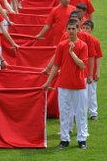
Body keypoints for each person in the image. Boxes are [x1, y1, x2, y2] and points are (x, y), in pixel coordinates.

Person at [42, 19, 88, 149]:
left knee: (81, 113)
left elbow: (82, 65)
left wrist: (72, 52)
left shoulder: (83, 45)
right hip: (63, 85)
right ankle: (64, 139)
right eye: (69, 29)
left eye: (74, 29)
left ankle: (82, 139)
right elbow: (56, 66)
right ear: (66, 30)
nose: (71, 31)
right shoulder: (61, 46)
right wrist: (48, 82)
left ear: (79, 30)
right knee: (64, 113)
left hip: (79, 85)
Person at [82, 20, 103, 120]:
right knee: (82, 93)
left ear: (92, 30)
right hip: (81, 72)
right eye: (84, 28)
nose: (85, 30)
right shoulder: (79, 39)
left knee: (92, 92)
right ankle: (82, 112)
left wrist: (97, 71)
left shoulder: (95, 41)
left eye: (87, 28)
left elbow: (98, 57)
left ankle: (93, 112)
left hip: (91, 71)